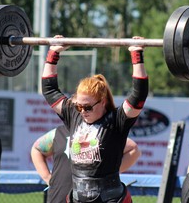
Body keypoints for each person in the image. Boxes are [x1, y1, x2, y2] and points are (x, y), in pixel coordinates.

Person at [41, 35, 148, 202]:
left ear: (103, 102)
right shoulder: (73, 114)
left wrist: (136, 53)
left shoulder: (117, 121)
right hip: (78, 198)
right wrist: (53, 53)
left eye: (88, 107)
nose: (82, 111)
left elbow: (138, 96)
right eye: (79, 106)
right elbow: (49, 90)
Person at [31, 125, 141, 203]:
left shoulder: (100, 132)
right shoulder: (59, 132)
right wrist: (47, 177)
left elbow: (133, 149)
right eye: (77, 107)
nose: (82, 111)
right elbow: (37, 149)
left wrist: (108, 173)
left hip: (92, 198)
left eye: (86, 107)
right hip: (58, 197)